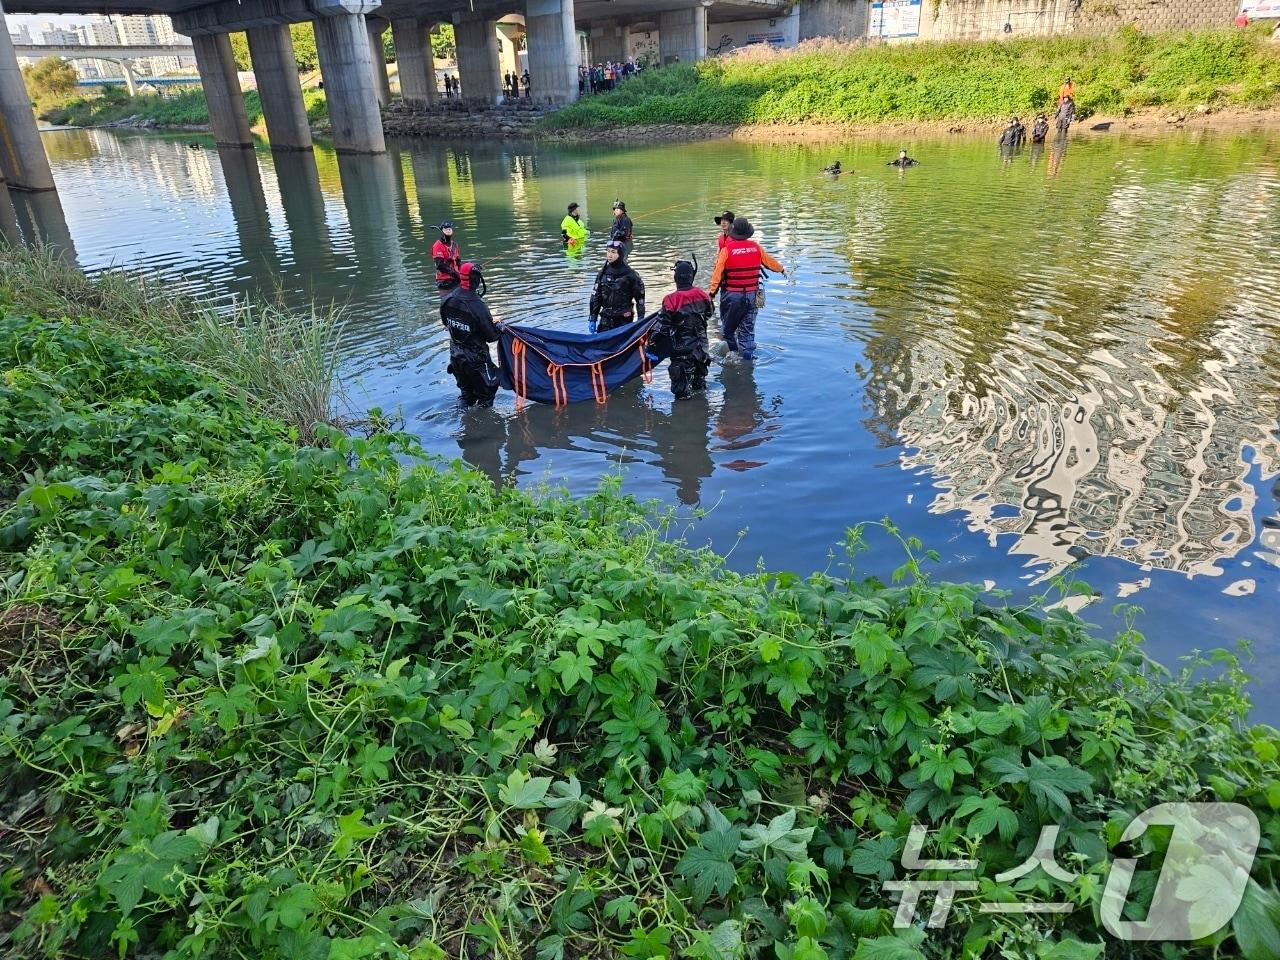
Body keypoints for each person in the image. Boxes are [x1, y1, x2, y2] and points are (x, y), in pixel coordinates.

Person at [707, 217, 785, 361]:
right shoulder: (756, 247)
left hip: (732, 297)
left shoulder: (726, 250)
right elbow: (770, 263)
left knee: (729, 331)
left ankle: (734, 356)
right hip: (752, 296)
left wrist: (711, 294)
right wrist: (782, 269)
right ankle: (747, 358)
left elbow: (717, 275)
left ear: (733, 232)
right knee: (747, 331)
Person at [440, 262, 502, 408]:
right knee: (486, 397)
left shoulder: (447, 299)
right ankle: (484, 428)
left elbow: (446, 323)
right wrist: (498, 326)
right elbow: (491, 336)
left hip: (456, 358)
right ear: (477, 279)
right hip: (476, 361)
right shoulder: (477, 305)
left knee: (466, 395)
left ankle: (464, 421)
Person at [657, 258, 712, 401]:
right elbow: (709, 313)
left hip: (681, 350)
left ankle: (682, 418)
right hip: (701, 350)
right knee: (700, 388)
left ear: (675, 278)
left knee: (681, 394)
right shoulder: (703, 295)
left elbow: (662, 327)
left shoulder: (670, 299)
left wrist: (651, 348)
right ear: (691, 277)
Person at [589, 240, 645, 333]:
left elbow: (640, 300)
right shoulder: (602, 274)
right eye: (608, 251)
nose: (609, 255)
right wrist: (593, 318)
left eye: (613, 252)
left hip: (624, 321)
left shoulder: (631, 275)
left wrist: (640, 321)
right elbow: (596, 297)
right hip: (605, 321)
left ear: (621, 254)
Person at [432, 220, 462, 292]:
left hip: (456, 279)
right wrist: (455, 274)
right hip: (444, 281)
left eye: (449, 229)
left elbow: (458, 262)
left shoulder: (454, 245)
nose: (448, 231)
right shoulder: (437, 245)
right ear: (442, 231)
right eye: (445, 229)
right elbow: (440, 265)